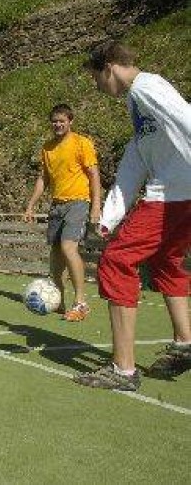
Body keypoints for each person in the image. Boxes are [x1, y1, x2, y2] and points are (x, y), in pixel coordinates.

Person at [74, 40, 191, 391]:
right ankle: (186, 345)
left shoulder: (147, 86)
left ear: (109, 67)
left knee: (116, 260)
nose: (97, 87)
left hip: (174, 194)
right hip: (176, 194)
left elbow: (187, 119)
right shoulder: (135, 99)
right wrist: (108, 219)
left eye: (97, 79)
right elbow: (136, 158)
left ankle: (123, 370)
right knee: (165, 261)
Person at [23, 104, 102, 321]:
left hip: (78, 202)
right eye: (54, 121)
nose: (58, 124)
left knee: (69, 248)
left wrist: (96, 206)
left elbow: (94, 175)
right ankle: (59, 301)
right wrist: (31, 205)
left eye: (62, 121)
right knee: (56, 257)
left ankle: (81, 303)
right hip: (56, 206)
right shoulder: (47, 148)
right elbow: (44, 179)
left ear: (70, 121)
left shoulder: (81, 143)